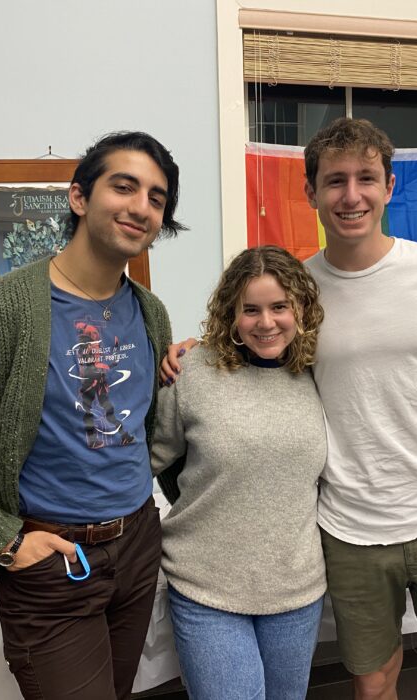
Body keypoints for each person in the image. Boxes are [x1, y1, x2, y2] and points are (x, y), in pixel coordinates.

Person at [163, 118, 417, 700]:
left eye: (366, 178)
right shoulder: (300, 291)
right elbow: (254, 340)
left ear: (389, 186)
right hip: (349, 524)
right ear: (311, 193)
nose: (352, 196)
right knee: (373, 683)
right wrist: (194, 351)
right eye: (335, 181)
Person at [0, 131, 184, 700]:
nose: (141, 207)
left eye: (156, 198)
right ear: (79, 197)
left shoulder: (151, 313)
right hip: (54, 564)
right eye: (124, 186)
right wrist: (3, 541)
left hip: (137, 545)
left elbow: (141, 428)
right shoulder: (0, 309)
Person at [152, 245, 327, 700]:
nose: (266, 322)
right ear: (231, 312)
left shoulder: (320, 372)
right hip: (207, 586)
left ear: (301, 308)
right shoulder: (192, 372)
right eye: (250, 309)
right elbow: (146, 460)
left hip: (295, 589)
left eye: (279, 307)